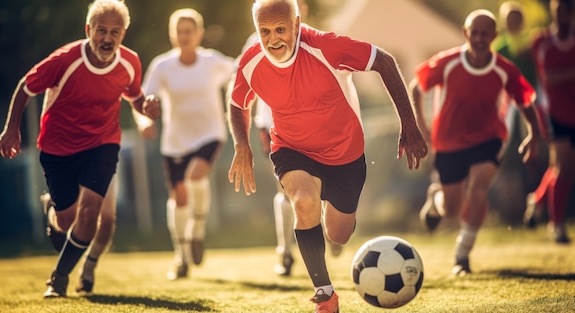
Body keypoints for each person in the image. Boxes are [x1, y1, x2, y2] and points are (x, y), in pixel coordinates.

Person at [227, 1, 428, 311]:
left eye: (280, 29)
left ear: (296, 24)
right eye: (264, 31)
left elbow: (384, 62)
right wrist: (242, 144)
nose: (273, 39)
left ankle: (324, 224)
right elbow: (238, 102)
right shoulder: (251, 62)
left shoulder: (327, 47)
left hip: (344, 154)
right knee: (303, 202)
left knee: (339, 234)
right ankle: (324, 293)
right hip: (291, 149)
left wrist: (409, 122)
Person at [0, 0, 160, 298]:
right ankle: (52, 210)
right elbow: (25, 87)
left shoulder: (130, 62)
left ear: (124, 34)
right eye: (101, 31)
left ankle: (58, 279)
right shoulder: (66, 60)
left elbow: (134, 96)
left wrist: (146, 106)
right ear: (88, 30)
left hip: (102, 144)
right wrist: (11, 128)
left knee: (90, 215)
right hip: (58, 147)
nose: (107, 39)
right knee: (66, 224)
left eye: (115, 32)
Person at [412, 9, 541, 276]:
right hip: (448, 142)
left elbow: (524, 101)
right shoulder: (448, 63)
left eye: (486, 33)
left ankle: (462, 256)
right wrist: (420, 126)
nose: (480, 38)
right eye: (475, 33)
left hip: (489, 139)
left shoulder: (504, 70)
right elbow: (416, 86)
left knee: (479, 189)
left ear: (494, 36)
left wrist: (534, 134)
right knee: (451, 209)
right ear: (465, 34)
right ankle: (435, 200)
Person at [238, 0, 342, 278]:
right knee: (285, 190)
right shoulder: (255, 40)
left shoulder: (312, 41)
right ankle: (285, 252)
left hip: (313, 127)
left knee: (317, 189)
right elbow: (241, 85)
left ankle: (329, 230)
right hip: (271, 125)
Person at [134, 8, 235, 280]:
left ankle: (197, 233)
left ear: (199, 34)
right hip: (175, 141)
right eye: (179, 31)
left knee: (196, 175)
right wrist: (145, 122)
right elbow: (143, 101)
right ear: (172, 35)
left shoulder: (212, 61)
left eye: (189, 31)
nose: (184, 36)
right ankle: (181, 256)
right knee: (179, 199)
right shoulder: (162, 66)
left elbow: (241, 72)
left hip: (210, 133)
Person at [527, 0, 575, 243]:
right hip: (555, 112)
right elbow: (550, 78)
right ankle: (556, 225)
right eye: (557, 10)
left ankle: (537, 199)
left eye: (566, 9)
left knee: (561, 167)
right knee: (564, 167)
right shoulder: (542, 41)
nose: (561, 14)